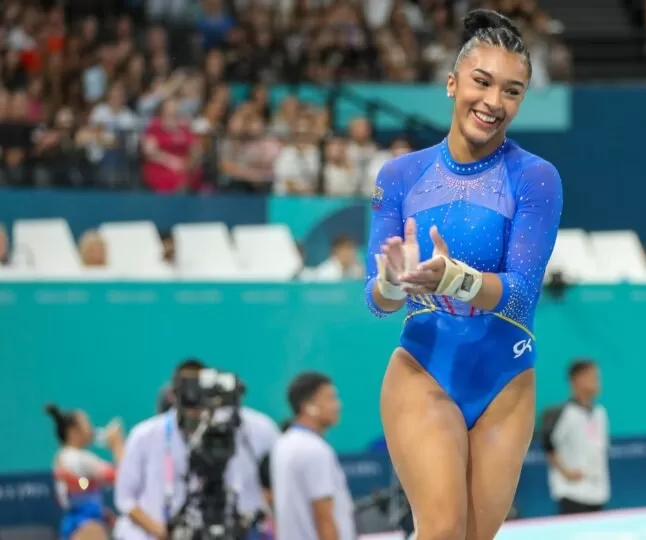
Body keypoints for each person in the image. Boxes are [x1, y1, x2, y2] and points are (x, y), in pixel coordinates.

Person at [363, 9, 563, 540]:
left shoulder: (536, 178)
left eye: (512, 91)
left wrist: (453, 278)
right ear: (452, 84)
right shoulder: (400, 175)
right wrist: (392, 281)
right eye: (481, 82)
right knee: (443, 530)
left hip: (506, 379)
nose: (494, 102)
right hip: (425, 367)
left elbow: (520, 296)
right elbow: (374, 298)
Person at [113, 359, 280, 540]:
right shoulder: (145, 435)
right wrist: (159, 531)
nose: (196, 401)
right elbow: (125, 499)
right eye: (189, 391)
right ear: (174, 393)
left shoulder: (253, 429)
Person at [270, 372, 354, 540]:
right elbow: (324, 517)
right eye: (330, 398)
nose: (338, 405)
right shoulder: (315, 450)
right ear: (308, 405)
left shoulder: (283, 443)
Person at [46, 403, 125, 540]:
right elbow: (121, 477)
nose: (91, 428)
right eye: (86, 423)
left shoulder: (63, 455)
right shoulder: (77, 458)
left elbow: (79, 489)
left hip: (77, 522)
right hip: (86, 524)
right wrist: (117, 445)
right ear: (73, 431)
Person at [542, 359, 610, 515]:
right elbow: (548, 445)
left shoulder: (600, 413)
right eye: (592, 377)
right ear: (577, 379)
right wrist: (565, 471)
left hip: (598, 493)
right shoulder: (562, 413)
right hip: (572, 493)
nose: (597, 382)